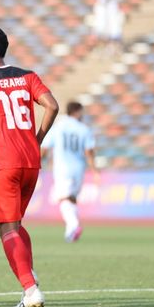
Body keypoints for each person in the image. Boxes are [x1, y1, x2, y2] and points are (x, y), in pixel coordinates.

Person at [0, 26, 59, 307]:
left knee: (6, 227)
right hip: (31, 161)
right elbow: (52, 106)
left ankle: (30, 289)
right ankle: (29, 281)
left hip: (2, 163)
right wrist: (37, 139)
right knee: (15, 224)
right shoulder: (27, 76)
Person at [41, 101, 99, 242]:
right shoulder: (84, 129)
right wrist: (94, 170)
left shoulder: (58, 127)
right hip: (79, 168)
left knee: (63, 198)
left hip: (62, 168)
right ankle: (70, 233)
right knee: (71, 198)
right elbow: (89, 151)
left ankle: (73, 225)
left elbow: (45, 147)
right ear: (77, 112)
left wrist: (38, 162)